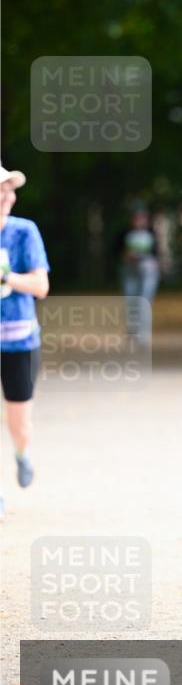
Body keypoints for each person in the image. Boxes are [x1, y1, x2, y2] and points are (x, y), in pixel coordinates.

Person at [0, 164, 50, 516]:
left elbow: (41, 287)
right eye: (1, 190)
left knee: (18, 423)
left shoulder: (24, 232)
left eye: (9, 190)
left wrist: (7, 277)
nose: (7, 196)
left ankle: (21, 453)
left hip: (19, 340)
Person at [115, 203, 160, 345]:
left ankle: (143, 335)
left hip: (147, 272)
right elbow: (115, 251)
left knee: (144, 302)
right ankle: (132, 333)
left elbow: (156, 253)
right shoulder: (124, 233)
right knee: (131, 301)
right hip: (129, 271)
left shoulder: (151, 233)